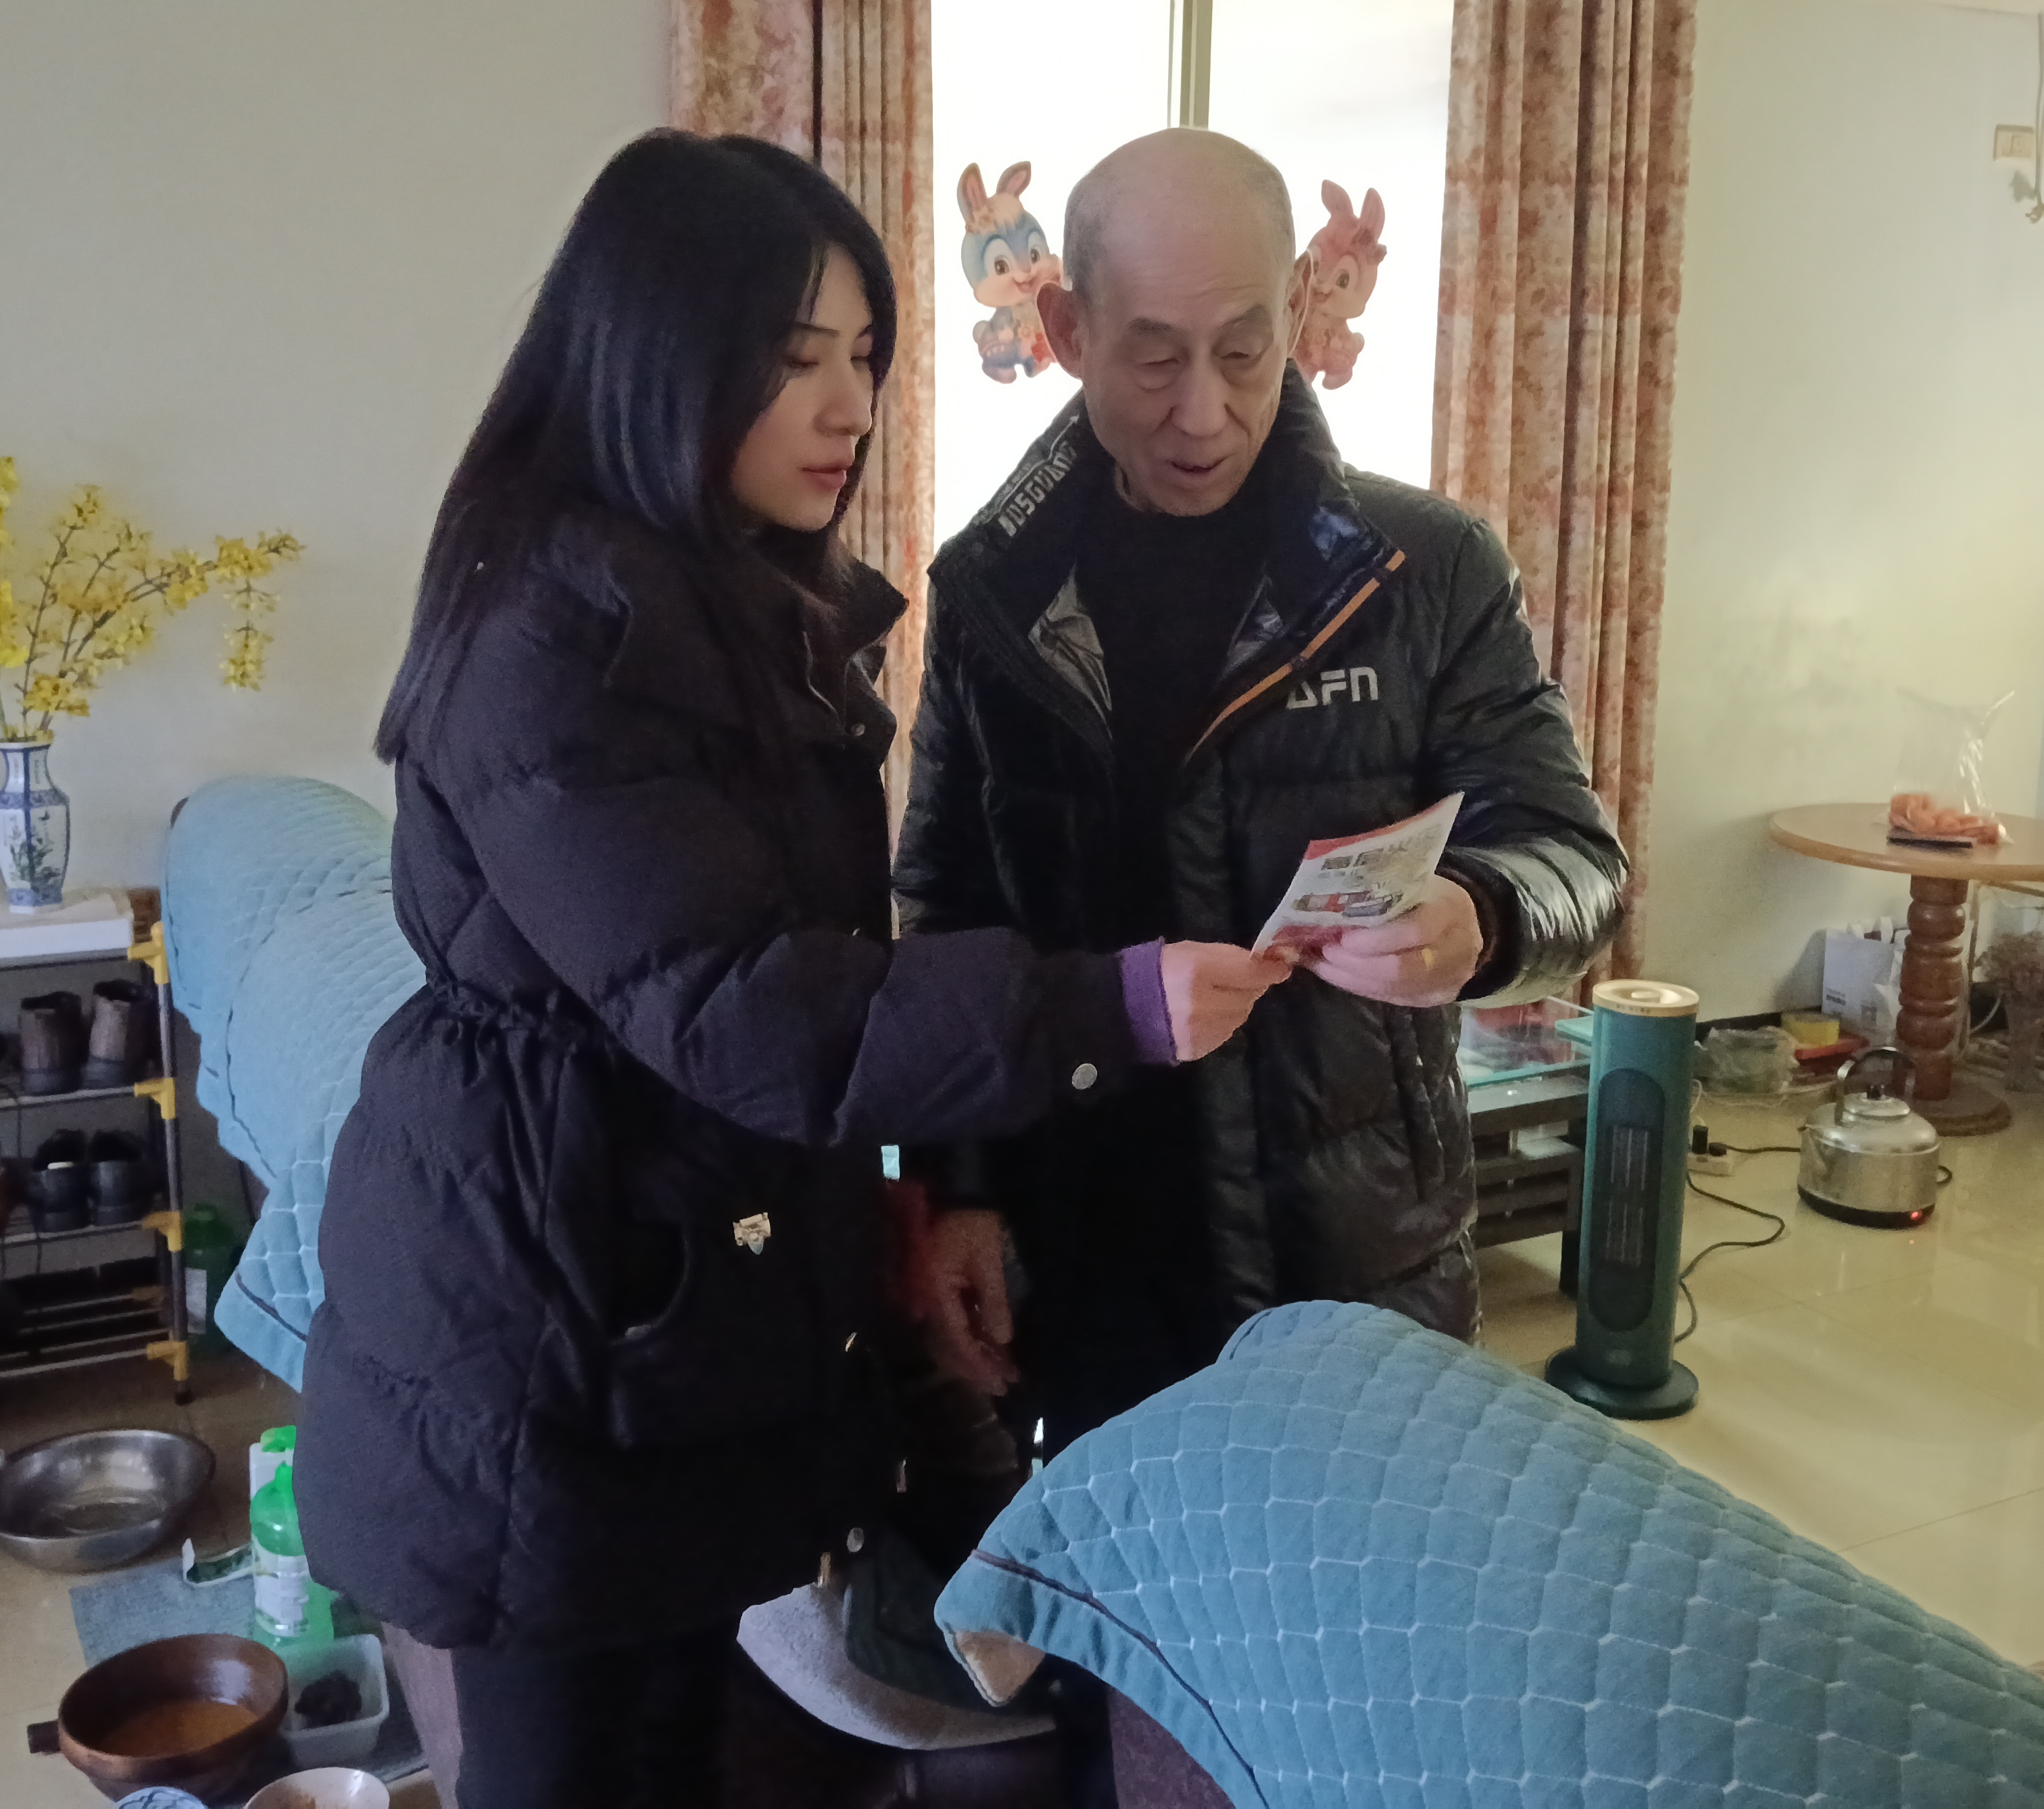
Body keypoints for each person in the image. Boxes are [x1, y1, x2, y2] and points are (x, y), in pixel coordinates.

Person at [298, 130, 1288, 1809]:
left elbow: (806, 969)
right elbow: (744, 1004)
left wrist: (884, 1201)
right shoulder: (553, 636)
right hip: (553, 1309)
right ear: (657, 357)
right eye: (793, 359)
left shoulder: (729, 597)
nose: (848, 409)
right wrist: (1103, 1004)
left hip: (668, 1278)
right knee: (573, 1770)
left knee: (680, 1744)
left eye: (865, 359)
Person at [898, 126, 1630, 1457]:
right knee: (1129, 1572)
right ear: (1067, 330)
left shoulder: (1422, 568)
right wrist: (960, 1190)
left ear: (1297, 309)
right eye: (1154, 357)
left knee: (1360, 1577)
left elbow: (1573, 856)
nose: (1205, 412)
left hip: (1351, 1249)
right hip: (1089, 1236)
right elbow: (947, 908)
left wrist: (1481, 917)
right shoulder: (993, 594)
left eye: (1244, 351)